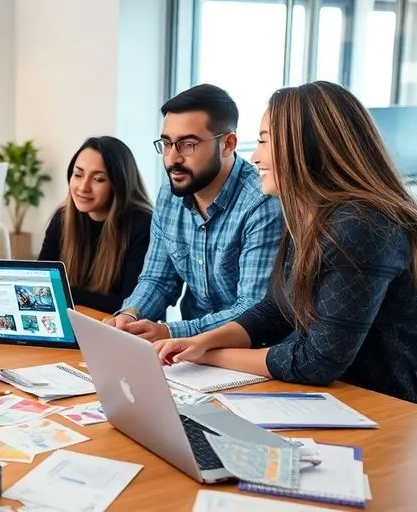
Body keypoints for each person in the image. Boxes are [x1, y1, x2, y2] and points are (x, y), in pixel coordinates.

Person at [156, 82, 417, 403]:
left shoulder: (360, 225)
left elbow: (317, 361)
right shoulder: (313, 216)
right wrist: (202, 341)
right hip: (337, 399)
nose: (255, 157)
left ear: (306, 146)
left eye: (264, 140)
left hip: (384, 407)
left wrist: (208, 355)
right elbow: (277, 309)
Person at [107, 84, 284, 341]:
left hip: (249, 349)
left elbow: (253, 309)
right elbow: (157, 279)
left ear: (228, 144)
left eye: (187, 144)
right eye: (167, 144)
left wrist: (172, 332)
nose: (172, 159)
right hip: (189, 351)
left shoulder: (262, 203)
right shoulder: (170, 192)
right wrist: (130, 315)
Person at [38, 136, 154, 313]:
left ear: (119, 184)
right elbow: (41, 283)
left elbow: (130, 305)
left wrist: (64, 292)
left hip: (117, 327)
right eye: (78, 175)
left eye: (98, 179)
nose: (83, 187)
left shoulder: (142, 224)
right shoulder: (62, 218)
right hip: (74, 321)